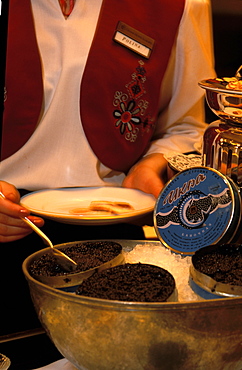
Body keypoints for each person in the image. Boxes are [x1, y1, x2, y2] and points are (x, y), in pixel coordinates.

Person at [0, 0, 215, 335]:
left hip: (116, 233)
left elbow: (187, 128)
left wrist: (150, 165)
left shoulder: (180, 5)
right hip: (6, 222)